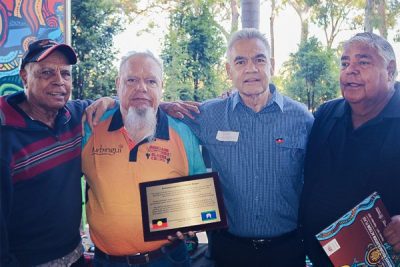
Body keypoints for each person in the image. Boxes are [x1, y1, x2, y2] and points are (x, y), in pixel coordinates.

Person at [161, 28, 314, 267]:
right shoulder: (209, 115)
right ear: (228, 70)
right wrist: (161, 104)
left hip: (287, 250)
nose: (251, 68)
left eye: (259, 59)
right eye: (240, 61)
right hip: (228, 251)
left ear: (271, 64)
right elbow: (147, 111)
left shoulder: (302, 118)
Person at [81, 50, 206, 267]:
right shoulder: (91, 127)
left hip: (168, 259)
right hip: (108, 262)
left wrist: (189, 223)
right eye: (132, 80)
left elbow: (199, 190)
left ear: (161, 86)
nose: (142, 88)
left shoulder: (183, 133)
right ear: (118, 83)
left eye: (151, 81)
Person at [0, 39, 115, 266]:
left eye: (66, 74)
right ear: (25, 76)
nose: (59, 81)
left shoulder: (78, 115)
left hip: (76, 255)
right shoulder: (6, 134)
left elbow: (130, 102)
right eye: (47, 73)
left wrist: (109, 99)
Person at [299, 32, 400, 266]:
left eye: (363, 62)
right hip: (315, 256)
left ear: (390, 69)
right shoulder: (326, 114)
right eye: (345, 63)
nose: (350, 70)